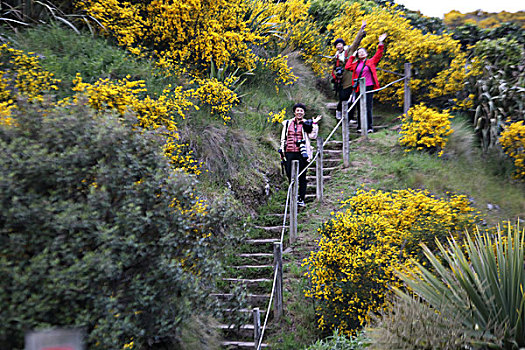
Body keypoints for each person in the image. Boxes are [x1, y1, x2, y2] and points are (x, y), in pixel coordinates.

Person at [279, 103, 322, 207]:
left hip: (302, 153)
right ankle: (293, 197)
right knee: (289, 175)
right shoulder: (287, 123)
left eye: (301, 111)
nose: (299, 112)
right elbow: (283, 138)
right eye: (297, 110)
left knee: (302, 175)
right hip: (289, 152)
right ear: (294, 112)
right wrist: (282, 149)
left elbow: (313, 136)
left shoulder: (306, 123)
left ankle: (301, 198)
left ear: (304, 113)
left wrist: (314, 124)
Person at [345, 33, 387, 133]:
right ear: (357, 55)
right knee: (360, 107)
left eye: (363, 52)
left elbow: (379, 54)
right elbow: (347, 67)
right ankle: (360, 127)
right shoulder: (355, 64)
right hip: (358, 88)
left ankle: (369, 127)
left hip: (368, 86)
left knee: (368, 107)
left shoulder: (371, 62)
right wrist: (352, 56)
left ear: (366, 54)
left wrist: (380, 42)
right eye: (359, 53)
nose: (361, 53)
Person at [332, 21, 367, 121]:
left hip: (352, 78)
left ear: (343, 45)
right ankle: (339, 111)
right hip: (342, 81)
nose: (339, 46)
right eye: (337, 45)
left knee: (352, 99)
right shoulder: (336, 57)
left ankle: (350, 117)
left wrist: (361, 29)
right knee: (343, 97)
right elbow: (334, 69)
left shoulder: (350, 51)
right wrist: (336, 75)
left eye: (340, 44)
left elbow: (356, 42)